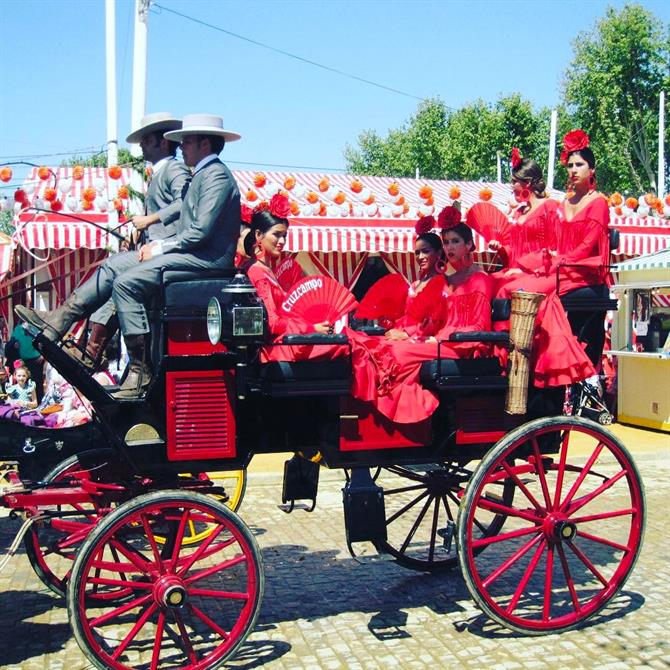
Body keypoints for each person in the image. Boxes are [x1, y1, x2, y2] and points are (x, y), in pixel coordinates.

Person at [16, 113, 242, 397]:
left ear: (205, 144)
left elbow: (198, 233)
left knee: (126, 283)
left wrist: (157, 243)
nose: (181, 146)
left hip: (206, 258)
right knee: (113, 267)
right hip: (190, 252)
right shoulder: (203, 174)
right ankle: (60, 320)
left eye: (187, 141)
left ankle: (140, 369)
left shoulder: (216, 176)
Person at [351, 210, 495, 424]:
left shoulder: (480, 279)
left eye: (455, 241)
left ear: (469, 245)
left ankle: (400, 412)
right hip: (440, 341)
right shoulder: (447, 281)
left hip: (464, 346)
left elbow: (479, 326)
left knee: (397, 352)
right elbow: (433, 320)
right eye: (446, 242)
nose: (450, 247)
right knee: (382, 344)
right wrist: (410, 331)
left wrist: (438, 337)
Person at [77, 113, 191, 370]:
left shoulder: (174, 169)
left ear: (163, 142)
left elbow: (184, 203)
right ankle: (91, 351)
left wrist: (149, 220)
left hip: (168, 253)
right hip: (153, 250)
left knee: (117, 277)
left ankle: (97, 352)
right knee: (115, 285)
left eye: (146, 140)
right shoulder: (159, 172)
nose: (141, 145)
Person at [246, 195, 346, 362]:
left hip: (287, 341)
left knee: (353, 340)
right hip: (277, 348)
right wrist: (310, 328)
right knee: (350, 346)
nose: (282, 241)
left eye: (285, 235)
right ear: (258, 235)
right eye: (277, 235)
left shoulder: (267, 270)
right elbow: (272, 324)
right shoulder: (257, 272)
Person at [384, 219, 447, 341]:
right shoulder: (415, 285)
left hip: (427, 339)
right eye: (417, 253)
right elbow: (407, 317)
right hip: (407, 334)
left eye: (426, 251)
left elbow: (435, 321)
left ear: (438, 253)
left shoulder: (443, 284)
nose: (420, 257)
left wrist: (407, 334)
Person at [9, 322, 44, 401]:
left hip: (36, 360)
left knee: (37, 383)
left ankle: (39, 402)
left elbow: (43, 342)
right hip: (24, 361)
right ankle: (26, 402)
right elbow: (12, 342)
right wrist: (14, 345)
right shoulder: (17, 329)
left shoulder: (35, 327)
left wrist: (42, 356)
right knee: (24, 382)